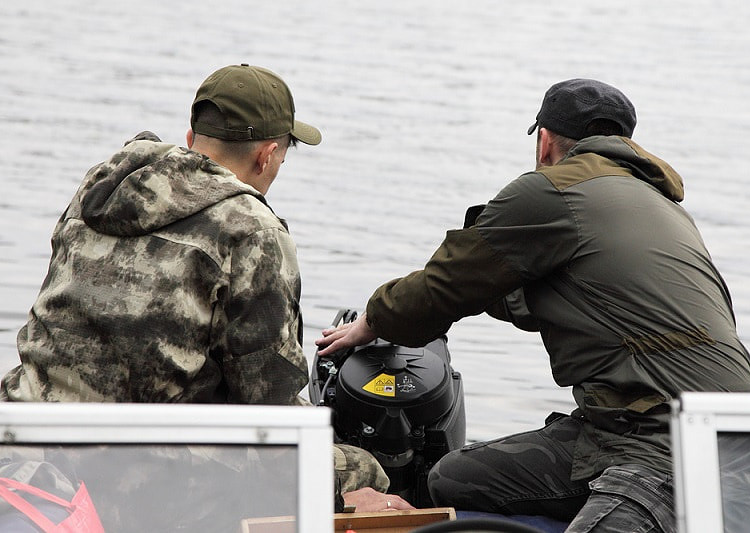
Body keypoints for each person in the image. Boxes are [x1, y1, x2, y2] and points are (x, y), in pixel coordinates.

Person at [316, 78, 750, 532]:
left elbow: (442, 286)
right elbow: (532, 300)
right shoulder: (664, 209)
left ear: (544, 141)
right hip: (696, 428)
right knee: (451, 479)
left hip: (664, 444)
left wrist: (372, 320)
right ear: (625, 142)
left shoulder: (552, 191)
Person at [0, 64, 411, 516]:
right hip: (125, 467)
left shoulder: (101, 188)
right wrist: (338, 484)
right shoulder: (252, 230)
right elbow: (269, 409)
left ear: (192, 137)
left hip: (25, 431)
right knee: (364, 472)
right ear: (267, 156)